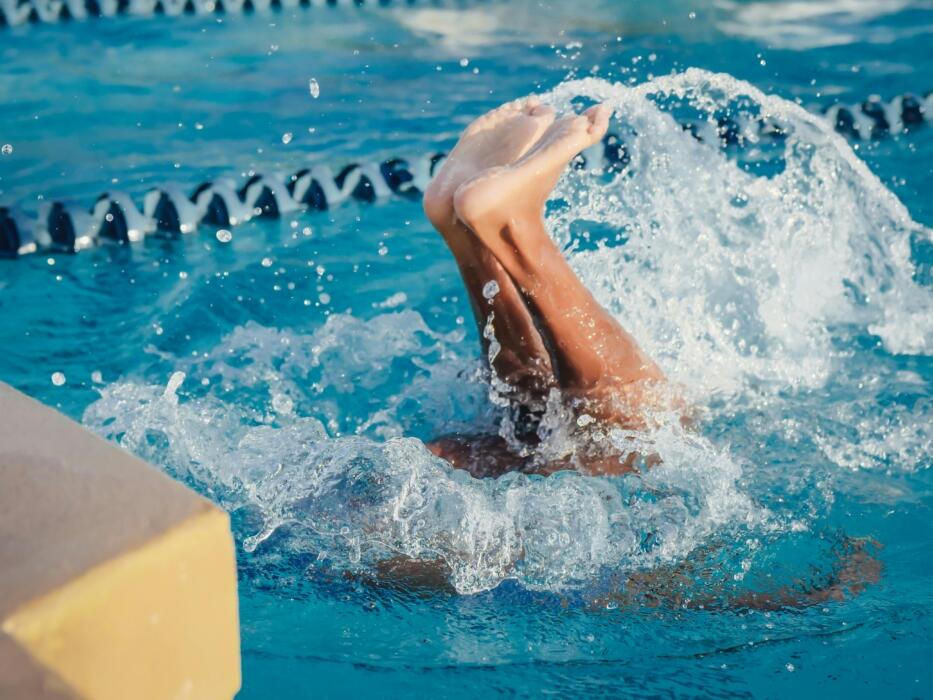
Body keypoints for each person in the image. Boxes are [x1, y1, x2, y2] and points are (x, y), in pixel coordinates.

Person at [369, 96, 882, 607]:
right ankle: (480, 234)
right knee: (577, 427)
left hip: (484, 505)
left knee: (579, 428)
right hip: (486, 504)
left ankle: (500, 229)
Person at [422, 95, 671, 478]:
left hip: (438, 488)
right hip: (457, 496)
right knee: (641, 430)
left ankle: (480, 237)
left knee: (529, 420)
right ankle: (505, 228)